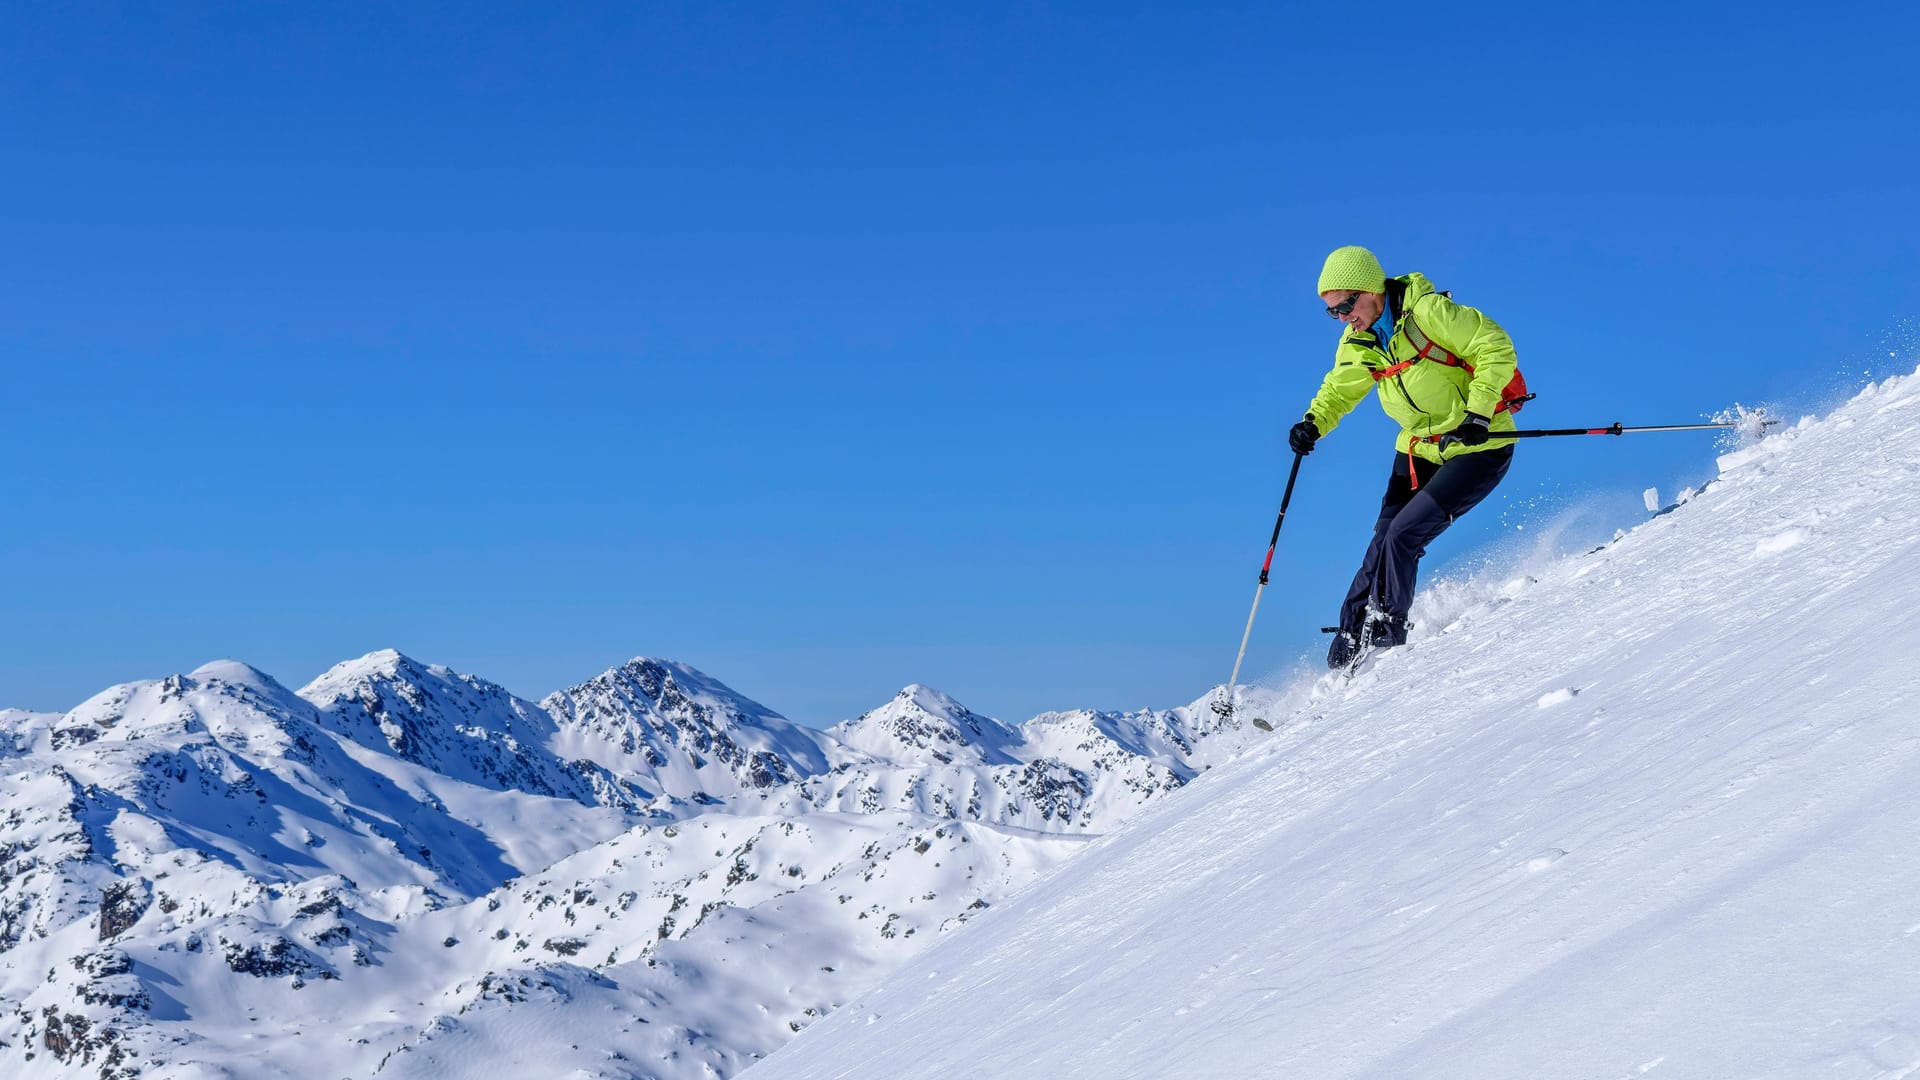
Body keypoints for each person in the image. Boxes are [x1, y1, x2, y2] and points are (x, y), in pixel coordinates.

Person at [1288, 245, 1521, 668]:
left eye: (1344, 306)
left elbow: (1495, 346)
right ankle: (1348, 640)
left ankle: (1385, 639)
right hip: (1419, 447)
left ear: (1370, 290)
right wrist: (1313, 423)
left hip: (1477, 445)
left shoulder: (1429, 313)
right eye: (1331, 313)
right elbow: (1340, 389)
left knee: (1402, 537)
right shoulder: (1359, 340)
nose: (1342, 318)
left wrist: (1479, 410)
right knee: (1382, 539)